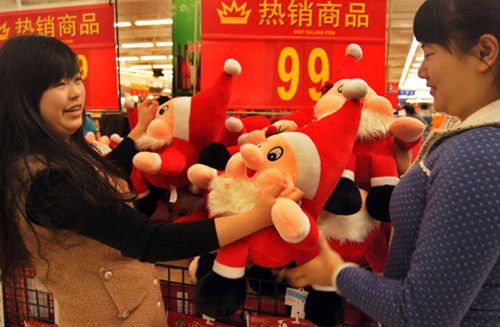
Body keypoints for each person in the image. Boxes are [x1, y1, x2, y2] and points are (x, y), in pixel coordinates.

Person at [0, 35, 300, 327]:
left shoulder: (61, 150)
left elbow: (99, 177)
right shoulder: (45, 182)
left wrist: (139, 130)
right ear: (22, 97)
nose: (76, 92)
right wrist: (257, 216)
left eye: (76, 79)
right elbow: (149, 240)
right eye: (58, 84)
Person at [284, 0, 499, 326]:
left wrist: (335, 272)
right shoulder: (468, 141)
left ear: (485, 52)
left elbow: (421, 314)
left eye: (429, 54)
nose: (422, 71)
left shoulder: (478, 158)